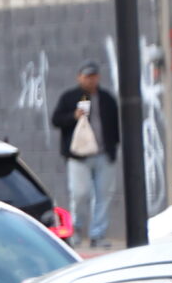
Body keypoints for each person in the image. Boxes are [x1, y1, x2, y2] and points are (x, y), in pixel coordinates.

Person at [51, 62, 122, 247]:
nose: (91, 80)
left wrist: (113, 147)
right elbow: (56, 120)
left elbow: (115, 125)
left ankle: (98, 235)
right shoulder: (69, 97)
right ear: (79, 77)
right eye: (87, 76)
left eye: (93, 76)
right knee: (80, 194)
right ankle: (76, 230)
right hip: (79, 156)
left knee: (104, 195)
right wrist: (73, 116)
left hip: (104, 155)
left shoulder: (107, 98)